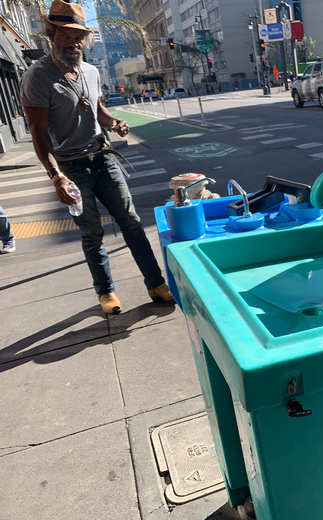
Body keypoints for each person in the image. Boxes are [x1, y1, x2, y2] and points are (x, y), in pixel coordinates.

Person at [20, 0, 174, 315]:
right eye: (66, 34)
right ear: (52, 33)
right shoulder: (38, 76)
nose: (73, 42)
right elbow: (38, 132)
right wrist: (56, 177)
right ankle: (106, 292)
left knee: (131, 222)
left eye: (78, 36)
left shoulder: (90, 71)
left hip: (103, 157)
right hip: (71, 167)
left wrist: (115, 123)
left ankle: (155, 283)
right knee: (92, 233)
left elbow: (98, 111)